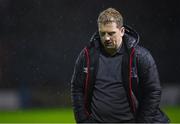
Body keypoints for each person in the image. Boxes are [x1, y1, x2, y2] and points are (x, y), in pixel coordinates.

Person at [71, 8, 169, 123]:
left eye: (111, 33)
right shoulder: (87, 56)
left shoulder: (140, 56)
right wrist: (82, 120)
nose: (106, 38)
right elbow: (77, 88)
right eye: (102, 33)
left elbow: (153, 91)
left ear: (122, 31)